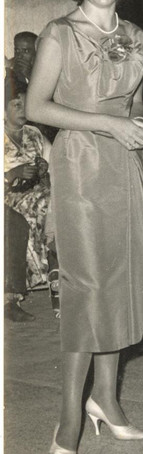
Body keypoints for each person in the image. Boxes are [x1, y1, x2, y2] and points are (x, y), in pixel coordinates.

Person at [26, 0, 143, 454]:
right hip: (83, 167)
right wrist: (109, 125)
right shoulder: (59, 34)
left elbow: (137, 109)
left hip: (126, 168)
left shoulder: (138, 35)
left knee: (122, 284)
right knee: (88, 288)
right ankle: (69, 417)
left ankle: (106, 400)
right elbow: (36, 108)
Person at [4, 75, 53, 296]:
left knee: (55, 200)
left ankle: (56, 269)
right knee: (45, 203)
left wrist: (44, 167)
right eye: (16, 105)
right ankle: (48, 270)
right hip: (9, 197)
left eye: (25, 104)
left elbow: (54, 163)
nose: (23, 109)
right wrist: (13, 173)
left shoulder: (33, 133)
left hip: (37, 192)